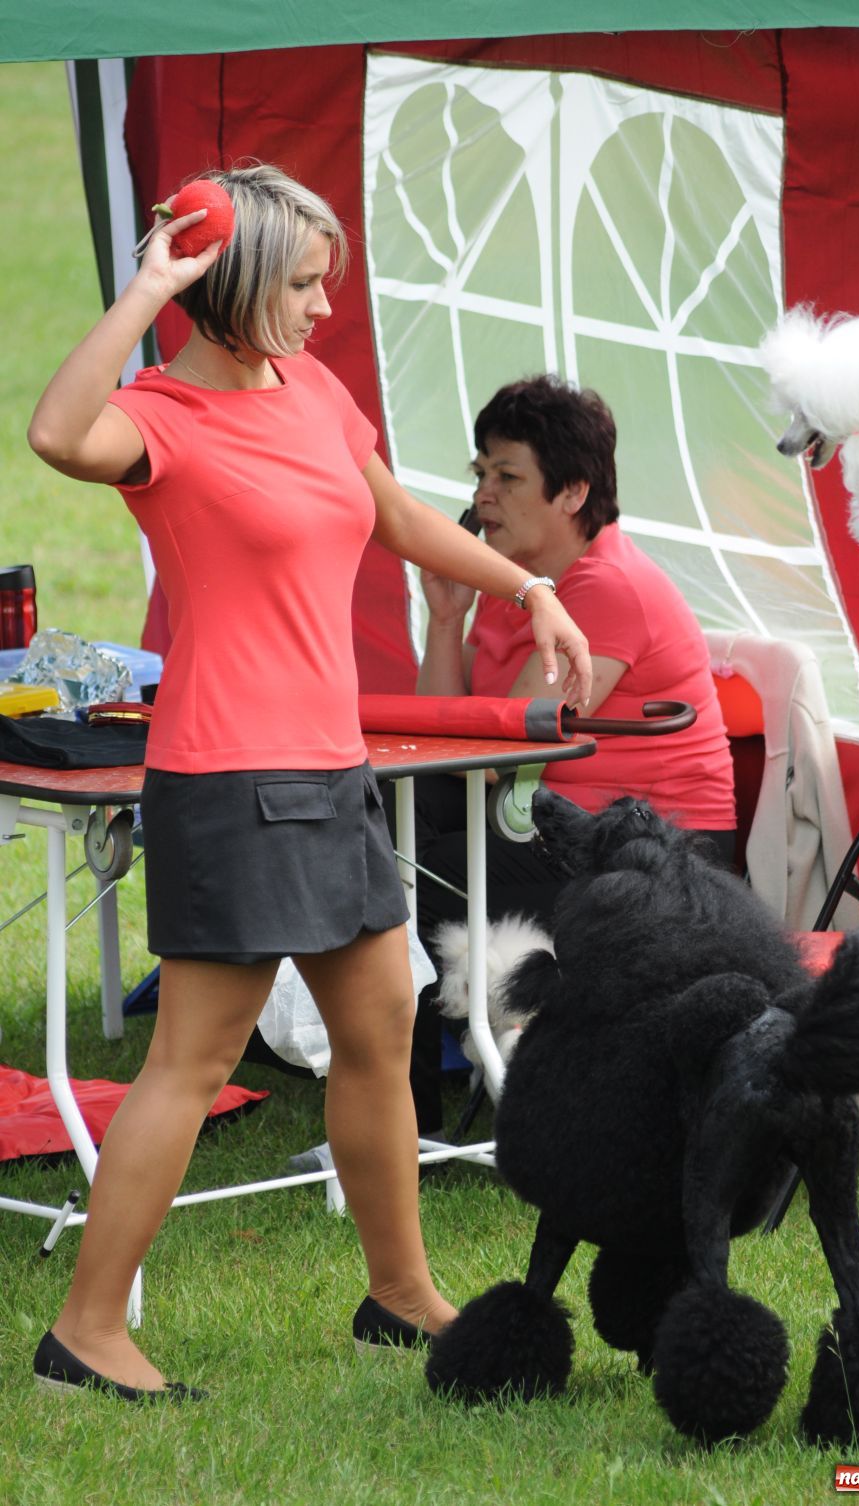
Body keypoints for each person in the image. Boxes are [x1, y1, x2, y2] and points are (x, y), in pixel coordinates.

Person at [25, 164, 592, 1398]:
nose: (324, 307)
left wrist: (530, 587)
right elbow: (57, 434)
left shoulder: (315, 391)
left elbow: (390, 516)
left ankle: (399, 1294)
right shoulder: (163, 415)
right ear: (222, 282)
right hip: (228, 775)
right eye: (299, 283)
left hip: (330, 768)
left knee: (382, 1025)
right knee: (189, 1056)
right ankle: (85, 1332)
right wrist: (143, 295)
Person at [408, 374, 736, 1134]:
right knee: (395, 839)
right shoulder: (518, 584)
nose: (484, 494)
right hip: (551, 830)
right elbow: (440, 737)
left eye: (508, 476)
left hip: (650, 863)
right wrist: (445, 619)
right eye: (479, 472)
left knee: (399, 870)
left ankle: (406, 1120)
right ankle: (400, 1109)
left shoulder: (605, 588)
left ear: (573, 492)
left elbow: (489, 753)